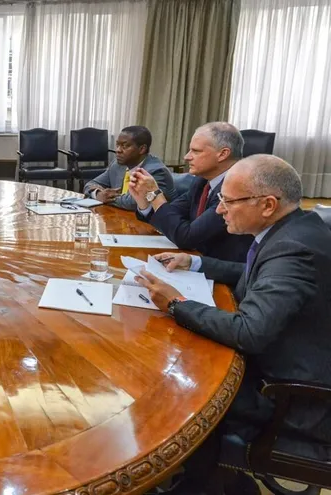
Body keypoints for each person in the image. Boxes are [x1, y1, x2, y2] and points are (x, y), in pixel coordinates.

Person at [137, 155, 331, 493]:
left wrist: (176, 303)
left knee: (178, 386)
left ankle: (204, 482)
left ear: (268, 204)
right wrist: (196, 263)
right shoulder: (298, 227)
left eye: (227, 201)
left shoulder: (293, 250)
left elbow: (248, 332)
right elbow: (257, 274)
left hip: (289, 396)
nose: (220, 209)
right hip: (283, 365)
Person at [129, 122, 253, 262]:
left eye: (196, 151)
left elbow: (186, 238)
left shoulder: (237, 189)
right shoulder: (202, 182)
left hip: (224, 273)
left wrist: (155, 194)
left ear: (223, 154)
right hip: (196, 260)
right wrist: (144, 202)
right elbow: (171, 212)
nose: (187, 157)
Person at [83, 126, 173, 211]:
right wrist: (98, 194)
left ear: (142, 149)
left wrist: (105, 197)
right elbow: (91, 184)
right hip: (121, 218)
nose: (118, 150)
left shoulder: (156, 171)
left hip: (149, 224)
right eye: (117, 145)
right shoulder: (117, 165)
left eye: (124, 146)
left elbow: (133, 203)